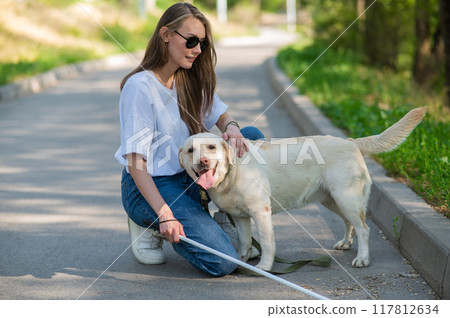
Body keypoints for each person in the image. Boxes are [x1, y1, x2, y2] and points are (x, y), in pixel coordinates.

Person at [115, 2, 264, 277]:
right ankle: (148, 220)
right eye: (191, 41)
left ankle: (226, 216)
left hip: (192, 173)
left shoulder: (188, 78)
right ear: (166, 35)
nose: (197, 50)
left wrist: (231, 127)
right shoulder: (140, 88)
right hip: (154, 183)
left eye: (202, 43)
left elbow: (222, 116)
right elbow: (136, 162)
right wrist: (165, 214)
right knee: (223, 263)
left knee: (251, 138)